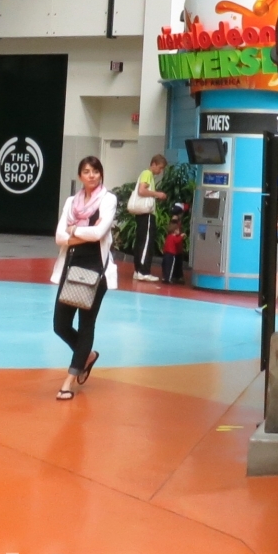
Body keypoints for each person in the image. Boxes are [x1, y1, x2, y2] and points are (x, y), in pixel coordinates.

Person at [51, 155, 117, 401]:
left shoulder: (108, 200)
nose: (92, 175)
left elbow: (99, 233)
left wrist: (74, 231)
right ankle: (87, 355)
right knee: (60, 325)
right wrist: (81, 234)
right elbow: (59, 237)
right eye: (87, 171)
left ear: (101, 174)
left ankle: (69, 381)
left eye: (96, 171)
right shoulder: (72, 202)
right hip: (70, 268)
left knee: (86, 324)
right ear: (80, 175)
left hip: (96, 270)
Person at [131, 153, 169, 281]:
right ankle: (143, 271)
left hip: (142, 214)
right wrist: (157, 194)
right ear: (153, 164)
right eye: (160, 167)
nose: (160, 171)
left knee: (141, 241)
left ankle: (138, 270)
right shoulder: (147, 174)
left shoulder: (146, 174)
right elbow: (142, 191)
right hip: (147, 214)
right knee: (146, 242)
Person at [161, 214, 187, 285]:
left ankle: (165, 277)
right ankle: (168, 278)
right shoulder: (174, 237)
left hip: (166, 253)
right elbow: (177, 241)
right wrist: (181, 236)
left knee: (166, 265)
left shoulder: (169, 236)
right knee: (170, 266)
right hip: (171, 253)